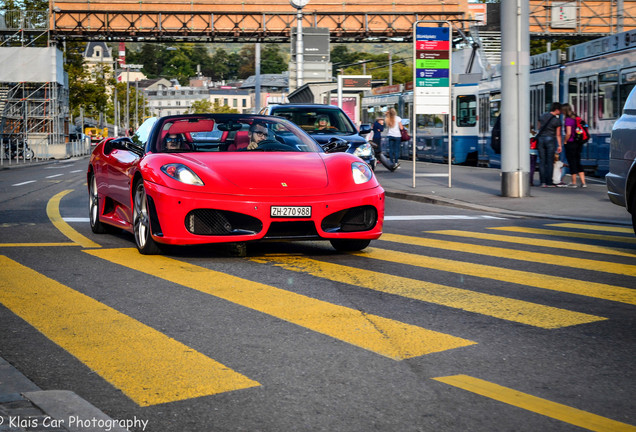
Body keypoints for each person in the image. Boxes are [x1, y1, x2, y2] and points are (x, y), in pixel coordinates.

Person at [536, 102, 562, 187]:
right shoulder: (557, 120)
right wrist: (559, 145)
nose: (561, 112)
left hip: (541, 140)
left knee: (542, 161)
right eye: (560, 110)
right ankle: (549, 182)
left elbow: (539, 128)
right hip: (550, 140)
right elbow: (558, 134)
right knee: (550, 161)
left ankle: (542, 182)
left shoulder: (542, 116)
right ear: (557, 110)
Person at [561, 103, 587, 188]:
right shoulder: (576, 118)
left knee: (572, 162)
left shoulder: (568, 120)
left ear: (564, 110)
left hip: (571, 143)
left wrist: (565, 141)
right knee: (578, 162)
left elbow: (568, 133)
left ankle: (574, 182)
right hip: (578, 143)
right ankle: (583, 182)